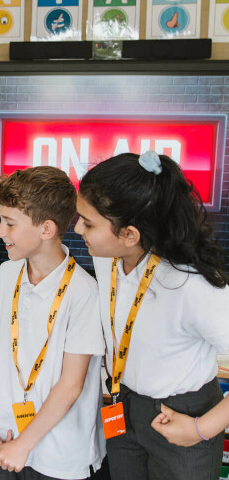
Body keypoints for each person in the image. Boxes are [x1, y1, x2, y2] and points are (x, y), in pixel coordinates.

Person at [74, 150, 229, 480]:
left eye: (88, 223)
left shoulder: (190, 284)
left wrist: (202, 429)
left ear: (130, 234)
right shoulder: (108, 256)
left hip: (182, 417)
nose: (77, 229)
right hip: (124, 405)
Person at [0, 166, 105, 479]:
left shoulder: (83, 291)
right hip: (3, 439)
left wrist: (24, 445)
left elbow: (71, 383)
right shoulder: (7, 274)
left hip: (58, 453)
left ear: (47, 229)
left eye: (9, 223)